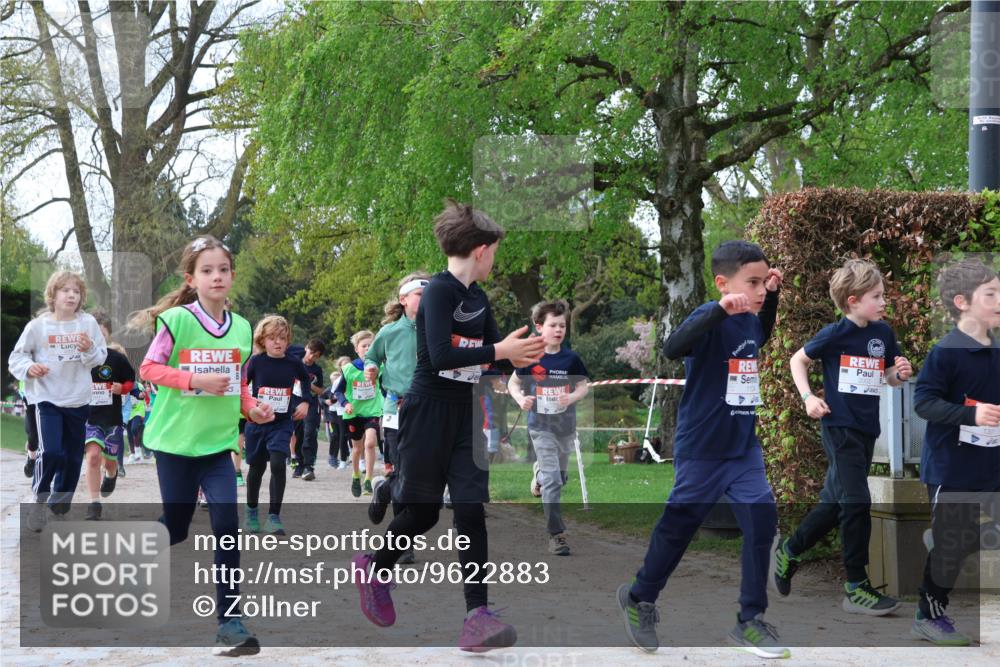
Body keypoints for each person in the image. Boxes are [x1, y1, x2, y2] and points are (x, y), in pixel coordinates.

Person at [350, 200, 545, 652]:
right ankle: (374, 567)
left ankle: (476, 615)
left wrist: (520, 364)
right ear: (481, 249)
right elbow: (440, 357)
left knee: (471, 508)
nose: (496, 259)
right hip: (427, 411)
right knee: (423, 513)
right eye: (495, 250)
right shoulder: (438, 292)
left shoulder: (479, 299)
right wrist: (499, 352)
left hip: (466, 415)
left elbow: (496, 358)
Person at [616, 240, 788, 659]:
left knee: (761, 523)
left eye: (764, 280)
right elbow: (673, 348)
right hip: (703, 449)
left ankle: (749, 620)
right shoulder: (709, 317)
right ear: (723, 283)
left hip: (743, 449)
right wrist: (717, 311)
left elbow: (760, 336)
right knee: (678, 529)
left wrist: (773, 298)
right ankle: (640, 598)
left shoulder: (750, 317)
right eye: (753, 282)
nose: (761, 287)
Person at [130, 234, 271, 656]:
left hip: (217, 447)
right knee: (176, 526)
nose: (217, 276)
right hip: (175, 443)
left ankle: (230, 623)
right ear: (191, 279)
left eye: (223, 269)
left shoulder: (244, 328)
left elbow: (237, 383)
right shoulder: (178, 322)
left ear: (231, 275)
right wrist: (195, 380)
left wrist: (252, 408)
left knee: (227, 528)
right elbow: (149, 369)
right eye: (207, 270)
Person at [773, 259, 911, 616]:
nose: (883, 302)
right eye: (876, 296)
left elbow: (890, 377)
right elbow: (796, 361)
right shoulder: (835, 335)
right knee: (856, 501)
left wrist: (901, 372)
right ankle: (855, 586)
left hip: (866, 430)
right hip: (839, 428)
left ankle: (789, 549)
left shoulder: (883, 334)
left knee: (836, 504)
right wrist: (808, 399)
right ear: (853, 300)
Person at [910, 260, 1000, 645]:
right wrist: (971, 414)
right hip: (952, 467)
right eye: (991, 294)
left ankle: (950, 539)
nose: (999, 300)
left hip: (992, 465)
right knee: (952, 542)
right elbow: (924, 403)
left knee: (960, 537)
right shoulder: (945, 352)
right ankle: (928, 614)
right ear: (962, 302)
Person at [9, 271, 107, 529]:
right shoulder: (38, 326)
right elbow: (16, 357)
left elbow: (100, 358)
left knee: (73, 458)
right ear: (53, 294)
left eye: (76, 291)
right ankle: (39, 502)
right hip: (47, 399)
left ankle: (58, 506)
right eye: (65, 290)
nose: (71, 295)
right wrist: (30, 368)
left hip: (78, 400)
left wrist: (88, 350)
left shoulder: (87, 324)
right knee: (51, 452)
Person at [508, 299, 589, 556]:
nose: (558, 330)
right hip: (540, 426)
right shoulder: (530, 357)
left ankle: (540, 476)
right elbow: (513, 384)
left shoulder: (571, 359)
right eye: (553, 325)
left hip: (565, 427)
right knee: (554, 480)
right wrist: (522, 399)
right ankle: (557, 535)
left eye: (562, 326)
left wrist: (571, 398)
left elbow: (583, 386)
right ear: (539, 326)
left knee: (559, 478)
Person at [366, 272, 429, 567]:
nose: (425, 299)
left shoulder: (438, 329)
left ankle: (385, 488)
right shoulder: (389, 332)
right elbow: (372, 357)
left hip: (429, 409)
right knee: (405, 472)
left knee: (419, 475)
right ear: (404, 300)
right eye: (419, 294)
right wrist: (371, 369)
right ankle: (403, 544)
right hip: (396, 407)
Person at [243, 315, 311, 536]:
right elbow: (243, 385)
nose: (277, 342)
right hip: (257, 423)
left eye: (282, 337)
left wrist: (305, 402)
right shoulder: (256, 361)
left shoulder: (293, 362)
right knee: (256, 468)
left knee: (278, 463)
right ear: (262, 340)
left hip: (282, 423)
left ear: (288, 340)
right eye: (272, 338)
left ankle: (273, 516)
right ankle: (252, 512)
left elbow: (306, 381)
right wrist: (249, 406)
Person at [83, 310, 136, 520]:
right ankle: (94, 504)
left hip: (112, 417)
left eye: (100, 331)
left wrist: (121, 388)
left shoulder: (117, 358)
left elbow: (131, 382)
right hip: (90, 416)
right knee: (93, 456)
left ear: (107, 333)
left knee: (110, 461)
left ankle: (112, 473)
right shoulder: (79, 359)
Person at [335, 331, 383, 496]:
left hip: (373, 411)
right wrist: (345, 403)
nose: (368, 348)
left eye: (371, 345)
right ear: (357, 349)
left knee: (370, 443)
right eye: (364, 346)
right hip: (353, 413)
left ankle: (368, 479)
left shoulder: (380, 367)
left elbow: (386, 385)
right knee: (357, 448)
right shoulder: (348, 369)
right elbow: (339, 391)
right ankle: (356, 475)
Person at [288, 339, 326, 480]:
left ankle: (309, 466)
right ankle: (299, 464)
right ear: (306, 349)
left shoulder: (316, 370)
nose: (311, 357)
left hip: (310, 403)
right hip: (293, 401)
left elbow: (321, 390)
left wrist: (307, 383)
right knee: (297, 434)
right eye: (310, 353)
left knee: (309, 432)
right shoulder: (293, 362)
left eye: (315, 356)